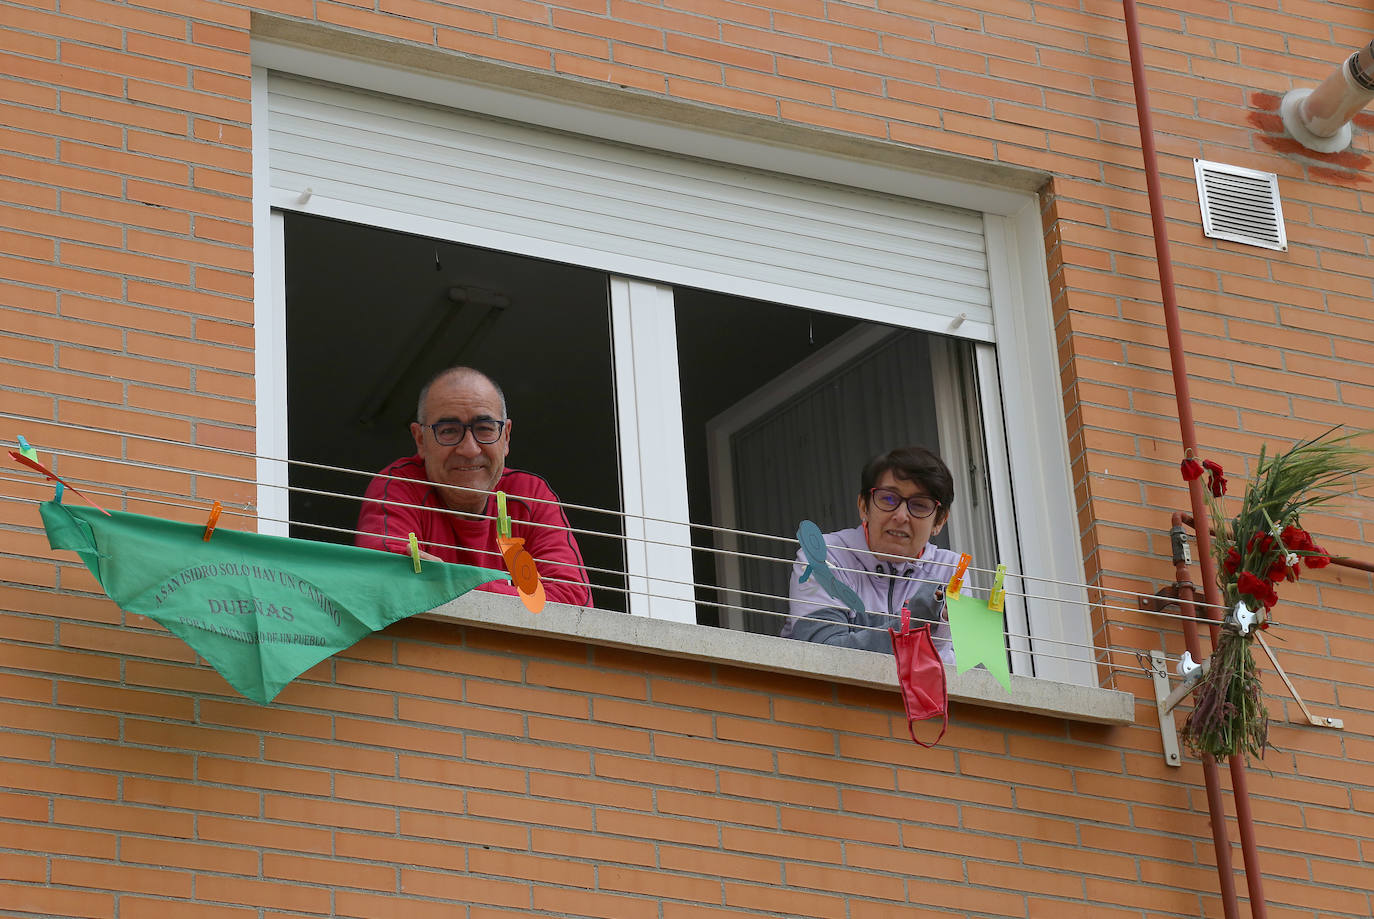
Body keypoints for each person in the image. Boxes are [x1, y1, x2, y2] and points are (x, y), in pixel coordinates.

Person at [355, 366, 593, 608]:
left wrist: (449, 579)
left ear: (506, 437)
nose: (469, 449)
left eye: (484, 429)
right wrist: (521, 592)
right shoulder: (402, 487)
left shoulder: (529, 495)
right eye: (448, 431)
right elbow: (386, 581)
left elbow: (573, 603)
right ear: (420, 440)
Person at [783, 445, 962, 662]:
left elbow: (965, 671)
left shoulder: (951, 569)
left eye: (920, 505)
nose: (901, 515)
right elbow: (821, 655)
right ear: (863, 506)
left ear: (940, 521)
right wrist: (910, 625)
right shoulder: (823, 556)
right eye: (888, 499)